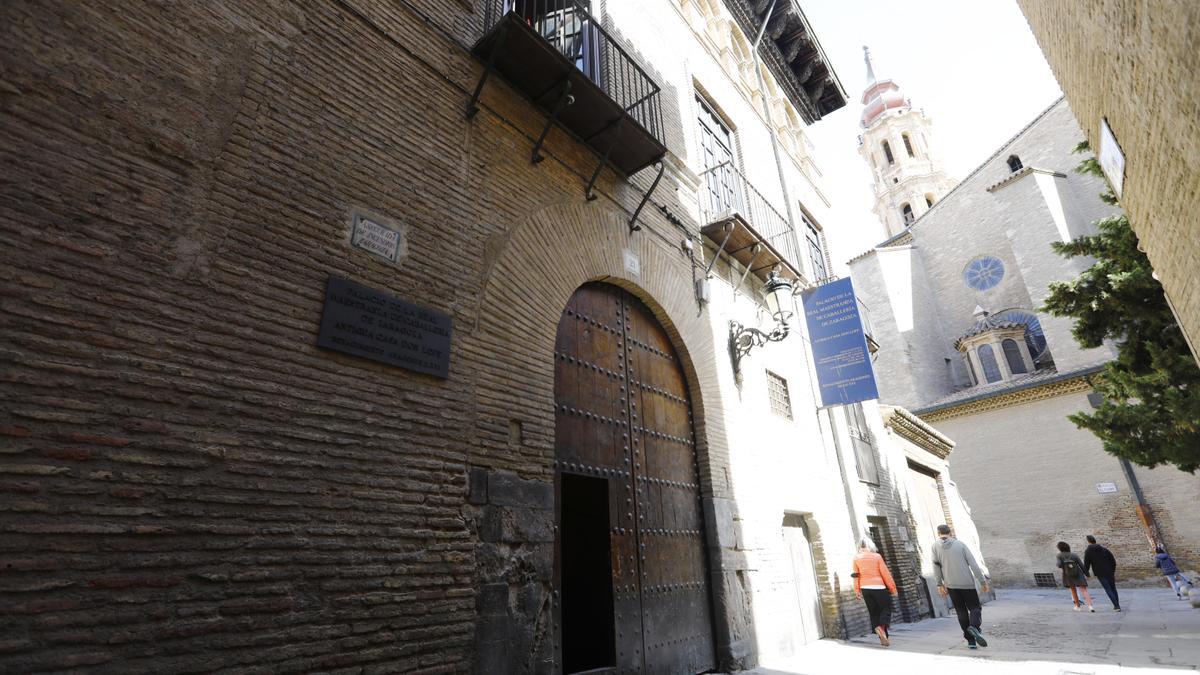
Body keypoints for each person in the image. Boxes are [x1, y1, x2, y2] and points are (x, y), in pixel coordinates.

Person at [932, 524, 990, 650]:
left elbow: (936, 567)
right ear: (950, 532)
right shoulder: (960, 545)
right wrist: (982, 581)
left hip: (951, 585)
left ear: (938, 533)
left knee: (961, 611)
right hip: (967, 583)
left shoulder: (935, 547)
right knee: (975, 608)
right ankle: (974, 628)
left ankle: (971, 642)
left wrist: (939, 584)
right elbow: (973, 564)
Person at [853, 536, 898, 646]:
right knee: (886, 608)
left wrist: (857, 590)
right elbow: (885, 573)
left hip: (865, 588)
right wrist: (893, 588)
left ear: (859, 546)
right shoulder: (877, 556)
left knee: (874, 613)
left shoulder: (856, 558)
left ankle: (884, 637)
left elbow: (856, 576)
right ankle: (881, 627)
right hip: (879, 587)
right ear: (870, 545)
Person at [1083, 535, 1120, 611]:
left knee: (1108, 589)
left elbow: (1087, 564)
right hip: (1109, 571)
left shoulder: (1088, 551)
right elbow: (1113, 561)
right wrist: (1112, 570)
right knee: (1113, 588)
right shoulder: (1104, 549)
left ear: (1088, 542)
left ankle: (1116, 606)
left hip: (1100, 573)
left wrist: (1086, 574)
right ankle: (1117, 605)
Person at [1056, 542, 1094, 612]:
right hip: (1078, 573)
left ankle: (1077, 606)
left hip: (1067, 575)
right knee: (1084, 590)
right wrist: (1087, 574)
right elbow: (1081, 565)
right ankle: (1090, 606)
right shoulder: (1074, 555)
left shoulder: (1059, 555)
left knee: (1073, 591)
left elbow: (1059, 565)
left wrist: (1063, 564)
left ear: (1060, 548)